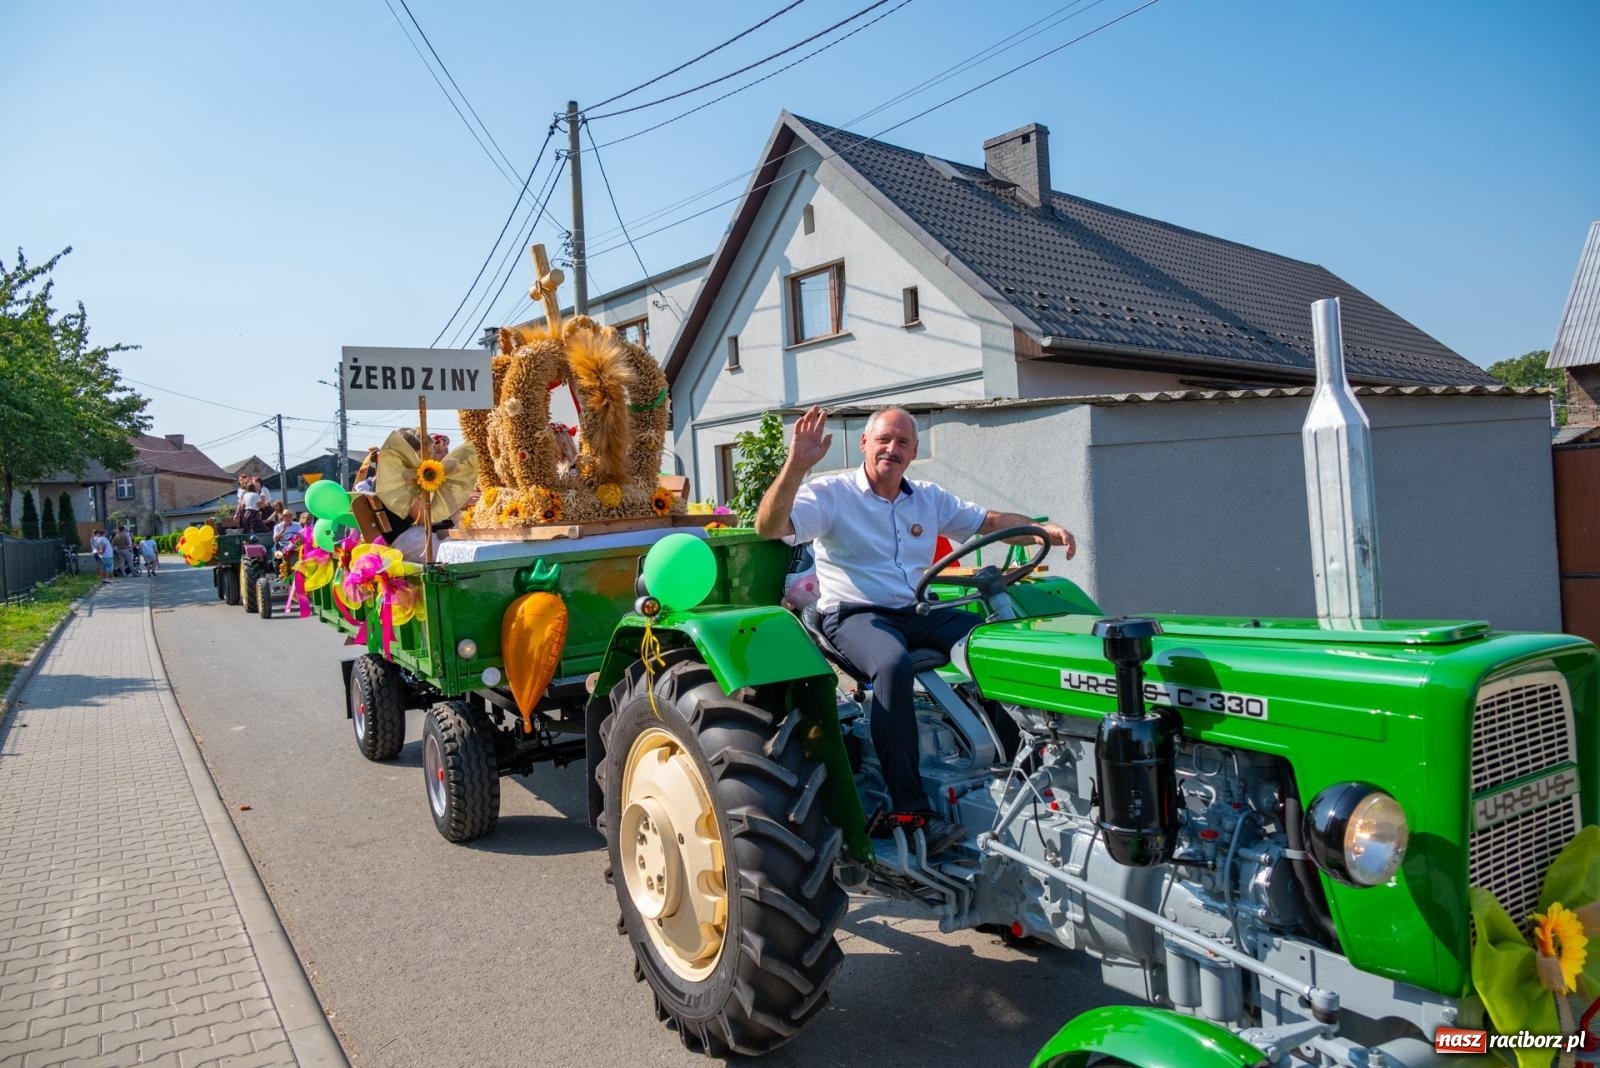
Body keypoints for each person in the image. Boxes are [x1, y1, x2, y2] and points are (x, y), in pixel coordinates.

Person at [756, 406, 1075, 855]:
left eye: (903, 442)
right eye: (884, 439)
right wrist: (796, 464)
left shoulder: (926, 497)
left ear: (914, 451)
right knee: (892, 665)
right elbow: (768, 525)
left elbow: (988, 522)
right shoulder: (830, 493)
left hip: (914, 609)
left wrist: (1041, 530)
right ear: (865, 443)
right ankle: (908, 809)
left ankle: (1015, 769)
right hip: (853, 614)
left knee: (995, 643)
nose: (893, 448)